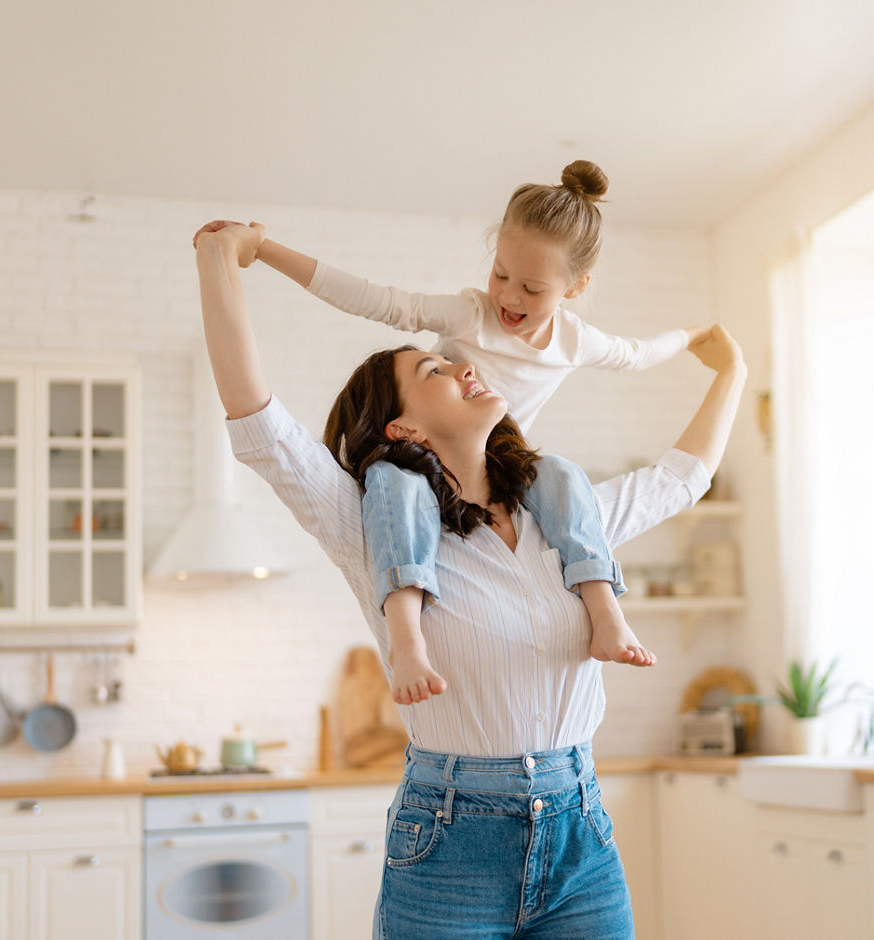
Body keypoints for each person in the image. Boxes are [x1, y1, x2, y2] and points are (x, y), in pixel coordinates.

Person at [193, 218, 746, 939]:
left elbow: (679, 480)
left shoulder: (564, 516)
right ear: (405, 431)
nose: (463, 365)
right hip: (450, 841)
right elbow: (260, 427)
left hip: (580, 834)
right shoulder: (372, 528)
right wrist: (220, 259)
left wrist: (731, 371)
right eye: (433, 373)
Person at [193, 160, 707, 706]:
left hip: (502, 465)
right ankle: (406, 639)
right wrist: (262, 251)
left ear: (575, 288)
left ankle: (606, 612)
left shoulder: (574, 344)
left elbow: (640, 358)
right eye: (500, 274)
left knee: (560, 473)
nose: (508, 297)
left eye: (531, 288)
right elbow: (375, 298)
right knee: (397, 485)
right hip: (431, 468)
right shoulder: (470, 315)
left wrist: (696, 338)